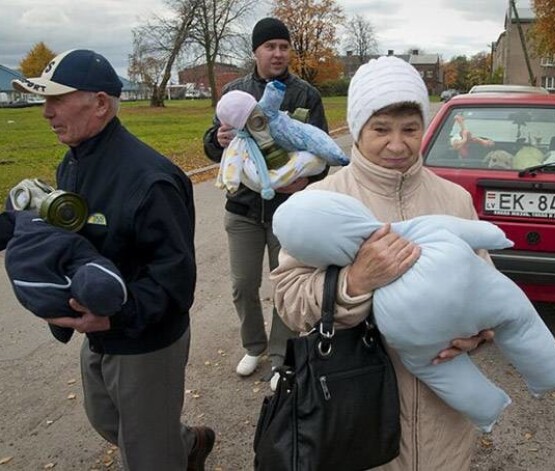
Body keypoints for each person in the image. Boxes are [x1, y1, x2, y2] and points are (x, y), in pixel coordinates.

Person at [271, 56, 494, 470]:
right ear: (357, 128)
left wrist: (481, 333)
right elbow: (288, 300)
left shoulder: (455, 200)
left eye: (410, 129)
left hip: (444, 424)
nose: (397, 144)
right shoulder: (322, 203)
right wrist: (355, 281)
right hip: (357, 420)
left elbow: (488, 287)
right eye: (381, 129)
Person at [12, 49, 215, 470]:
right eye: (44, 100)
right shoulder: (72, 165)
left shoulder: (151, 181)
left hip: (147, 337)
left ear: (100, 103)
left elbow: (175, 284)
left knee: (146, 457)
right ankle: (187, 444)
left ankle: (167, 450)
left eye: (57, 99)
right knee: (107, 419)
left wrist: (114, 317)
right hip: (102, 331)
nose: (46, 112)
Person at [202, 17, 329, 389]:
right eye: (270, 46)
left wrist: (310, 179)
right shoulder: (235, 90)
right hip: (242, 209)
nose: (277, 53)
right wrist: (220, 139)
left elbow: (320, 149)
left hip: (288, 212)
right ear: (255, 51)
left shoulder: (306, 95)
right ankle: (253, 346)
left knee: (286, 287)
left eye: (283, 46)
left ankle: (280, 357)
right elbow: (210, 145)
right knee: (243, 285)